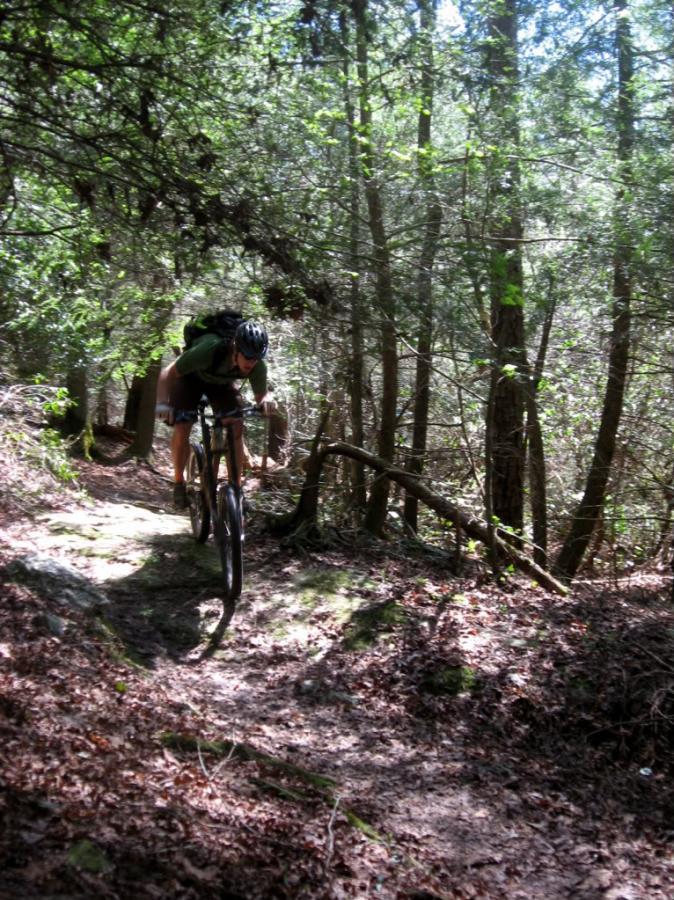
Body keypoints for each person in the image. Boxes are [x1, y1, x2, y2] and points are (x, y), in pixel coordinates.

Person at [156, 316, 275, 509]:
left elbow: (262, 396)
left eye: (255, 358)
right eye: (247, 355)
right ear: (235, 348)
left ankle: (236, 491)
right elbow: (166, 375)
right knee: (183, 425)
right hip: (190, 380)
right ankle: (179, 483)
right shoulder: (208, 350)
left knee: (235, 426)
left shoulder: (257, 364)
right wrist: (162, 404)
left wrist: (267, 402)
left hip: (221, 385)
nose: (251, 362)